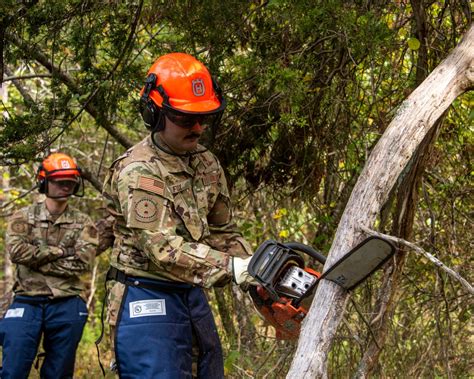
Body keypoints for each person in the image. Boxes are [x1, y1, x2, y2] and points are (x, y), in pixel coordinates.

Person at [102, 52, 256, 378]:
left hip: (190, 289)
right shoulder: (139, 170)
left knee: (209, 370)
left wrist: (256, 269)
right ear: (155, 114)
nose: (198, 127)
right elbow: (163, 249)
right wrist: (231, 268)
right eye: (186, 119)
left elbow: (224, 232)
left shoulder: (207, 164)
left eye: (204, 118)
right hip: (145, 290)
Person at [0, 152, 98, 379]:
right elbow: (17, 252)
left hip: (67, 301)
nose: (66, 186)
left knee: (59, 372)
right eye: (60, 181)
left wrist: (37, 261)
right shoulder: (22, 216)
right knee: (13, 369)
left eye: (70, 182)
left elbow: (82, 263)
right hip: (27, 298)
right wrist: (62, 252)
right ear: (44, 182)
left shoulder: (83, 222)